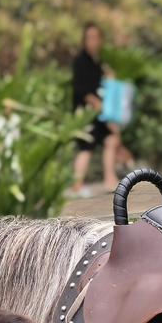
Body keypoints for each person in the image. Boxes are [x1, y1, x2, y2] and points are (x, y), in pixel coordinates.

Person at [69, 22, 122, 197]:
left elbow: (104, 87)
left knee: (111, 139)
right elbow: (82, 90)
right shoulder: (80, 61)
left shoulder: (98, 63)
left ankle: (110, 179)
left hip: (99, 113)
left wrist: (109, 76)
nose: (93, 41)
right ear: (84, 40)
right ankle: (77, 186)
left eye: (96, 37)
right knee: (87, 147)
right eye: (89, 37)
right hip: (86, 114)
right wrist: (100, 107)